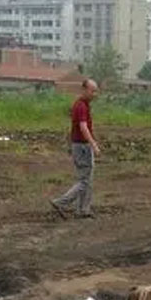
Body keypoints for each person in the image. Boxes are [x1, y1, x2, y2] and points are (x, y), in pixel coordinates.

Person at [50, 79, 101, 219]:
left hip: (79, 145)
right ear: (84, 90)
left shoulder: (82, 105)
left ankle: (83, 210)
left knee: (87, 179)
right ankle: (61, 202)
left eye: (96, 91)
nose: (95, 94)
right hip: (83, 147)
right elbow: (83, 127)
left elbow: (75, 128)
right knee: (85, 181)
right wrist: (93, 144)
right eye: (93, 91)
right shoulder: (81, 106)